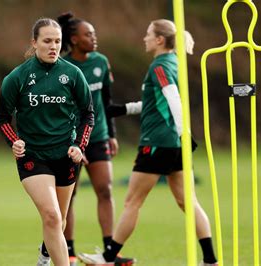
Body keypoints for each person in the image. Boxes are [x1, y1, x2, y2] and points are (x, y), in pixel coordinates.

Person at [78, 19, 218, 266]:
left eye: (148, 34)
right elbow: (155, 104)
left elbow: (173, 99)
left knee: (132, 202)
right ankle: (210, 260)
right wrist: (125, 109)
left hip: (157, 143)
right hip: (173, 144)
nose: (144, 38)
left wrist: (183, 132)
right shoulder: (174, 63)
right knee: (188, 201)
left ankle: (108, 258)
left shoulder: (159, 66)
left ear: (159, 40)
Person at [0, 18, 94, 266]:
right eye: (47, 41)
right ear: (34, 42)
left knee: (58, 220)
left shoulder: (73, 74)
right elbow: (2, 118)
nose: (53, 46)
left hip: (65, 156)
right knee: (51, 216)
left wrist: (79, 147)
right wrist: (14, 142)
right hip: (34, 157)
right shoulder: (17, 78)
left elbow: (87, 115)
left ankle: (44, 257)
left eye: (57, 41)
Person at [55, 12, 120, 266]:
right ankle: (69, 251)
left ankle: (108, 251)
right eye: (88, 34)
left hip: (99, 136)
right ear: (74, 39)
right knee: (69, 196)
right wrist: (72, 142)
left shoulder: (101, 62)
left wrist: (112, 134)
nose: (94, 37)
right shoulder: (63, 68)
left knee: (105, 190)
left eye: (94, 33)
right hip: (71, 141)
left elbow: (107, 100)